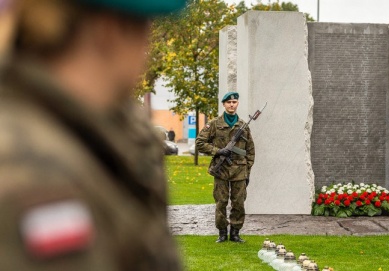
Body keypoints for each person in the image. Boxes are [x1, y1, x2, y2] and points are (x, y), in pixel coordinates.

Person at [0, 0, 185, 270]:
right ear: (108, 30)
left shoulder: (74, 131)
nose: (147, 53)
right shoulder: (39, 177)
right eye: (145, 29)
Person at [196, 91, 255, 243]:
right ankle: (222, 233)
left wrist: (247, 170)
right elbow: (200, 143)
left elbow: (250, 150)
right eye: (228, 102)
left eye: (234, 102)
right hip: (221, 169)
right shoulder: (214, 124)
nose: (231, 105)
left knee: (238, 203)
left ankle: (235, 233)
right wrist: (218, 151)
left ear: (237, 104)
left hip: (239, 170)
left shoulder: (243, 125)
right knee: (221, 202)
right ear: (224, 104)